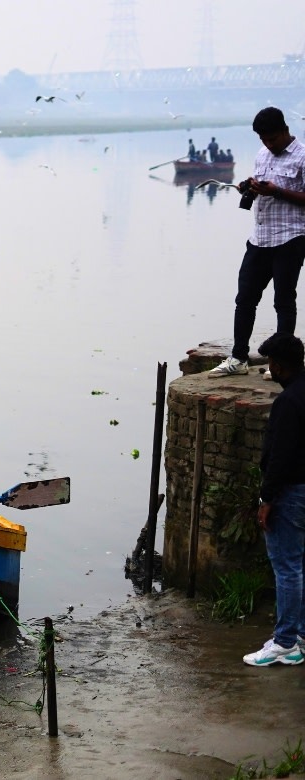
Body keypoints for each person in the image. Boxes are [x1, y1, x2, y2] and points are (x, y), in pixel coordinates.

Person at [210, 107, 305, 377]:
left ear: (285, 131)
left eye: (272, 139)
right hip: (260, 238)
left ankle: (281, 364)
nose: (268, 144)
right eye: (263, 139)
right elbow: (261, 184)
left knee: (284, 301)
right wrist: (249, 187)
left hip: (290, 237)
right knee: (245, 299)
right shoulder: (262, 155)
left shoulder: (302, 157)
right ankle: (238, 358)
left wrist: (277, 191)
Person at [243, 333, 305, 666]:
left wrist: (266, 499)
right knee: (300, 564)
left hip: (291, 493)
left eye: (270, 364)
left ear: (278, 366)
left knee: (287, 567)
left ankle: (284, 643)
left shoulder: (287, 403)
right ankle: (301, 636)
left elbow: (279, 457)